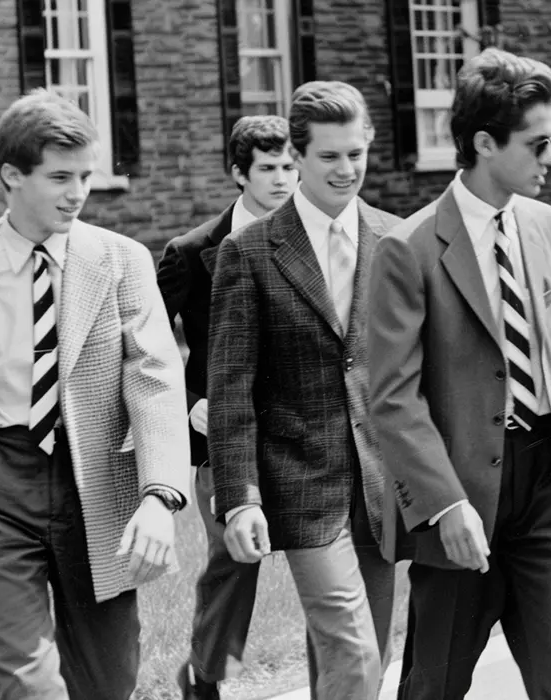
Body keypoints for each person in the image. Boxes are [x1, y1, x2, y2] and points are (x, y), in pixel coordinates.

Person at [0, 89, 191, 699]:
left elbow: (154, 379)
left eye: (86, 176)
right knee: (29, 686)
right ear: (11, 175)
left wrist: (160, 496)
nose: (77, 193)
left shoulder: (121, 261)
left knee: (107, 684)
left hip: (95, 483)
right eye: (59, 177)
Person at [368, 47, 551, 700]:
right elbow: (391, 398)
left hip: (549, 489)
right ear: (483, 142)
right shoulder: (407, 249)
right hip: (461, 491)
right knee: (435, 684)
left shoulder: (543, 223)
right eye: (538, 144)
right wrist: (445, 503)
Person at [207, 81, 400, 700]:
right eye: (328, 157)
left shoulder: (398, 240)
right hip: (299, 481)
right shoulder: (249, 251)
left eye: (355, 153)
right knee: (354, 650)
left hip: (381, 479)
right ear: (298, 155)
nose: (346, 170)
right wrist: (238, 497)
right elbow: (230, 387)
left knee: (363, 652)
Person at [157, 115, 297, 699]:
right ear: (239, 174)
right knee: (234, 556)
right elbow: (145, 343)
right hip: (221, 435)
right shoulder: (190, 253)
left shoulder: (312, 239)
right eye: (268, 168)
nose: (283, 179)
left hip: (299, 429)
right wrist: (188, 403)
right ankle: (206, 674)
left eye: (290, 166)